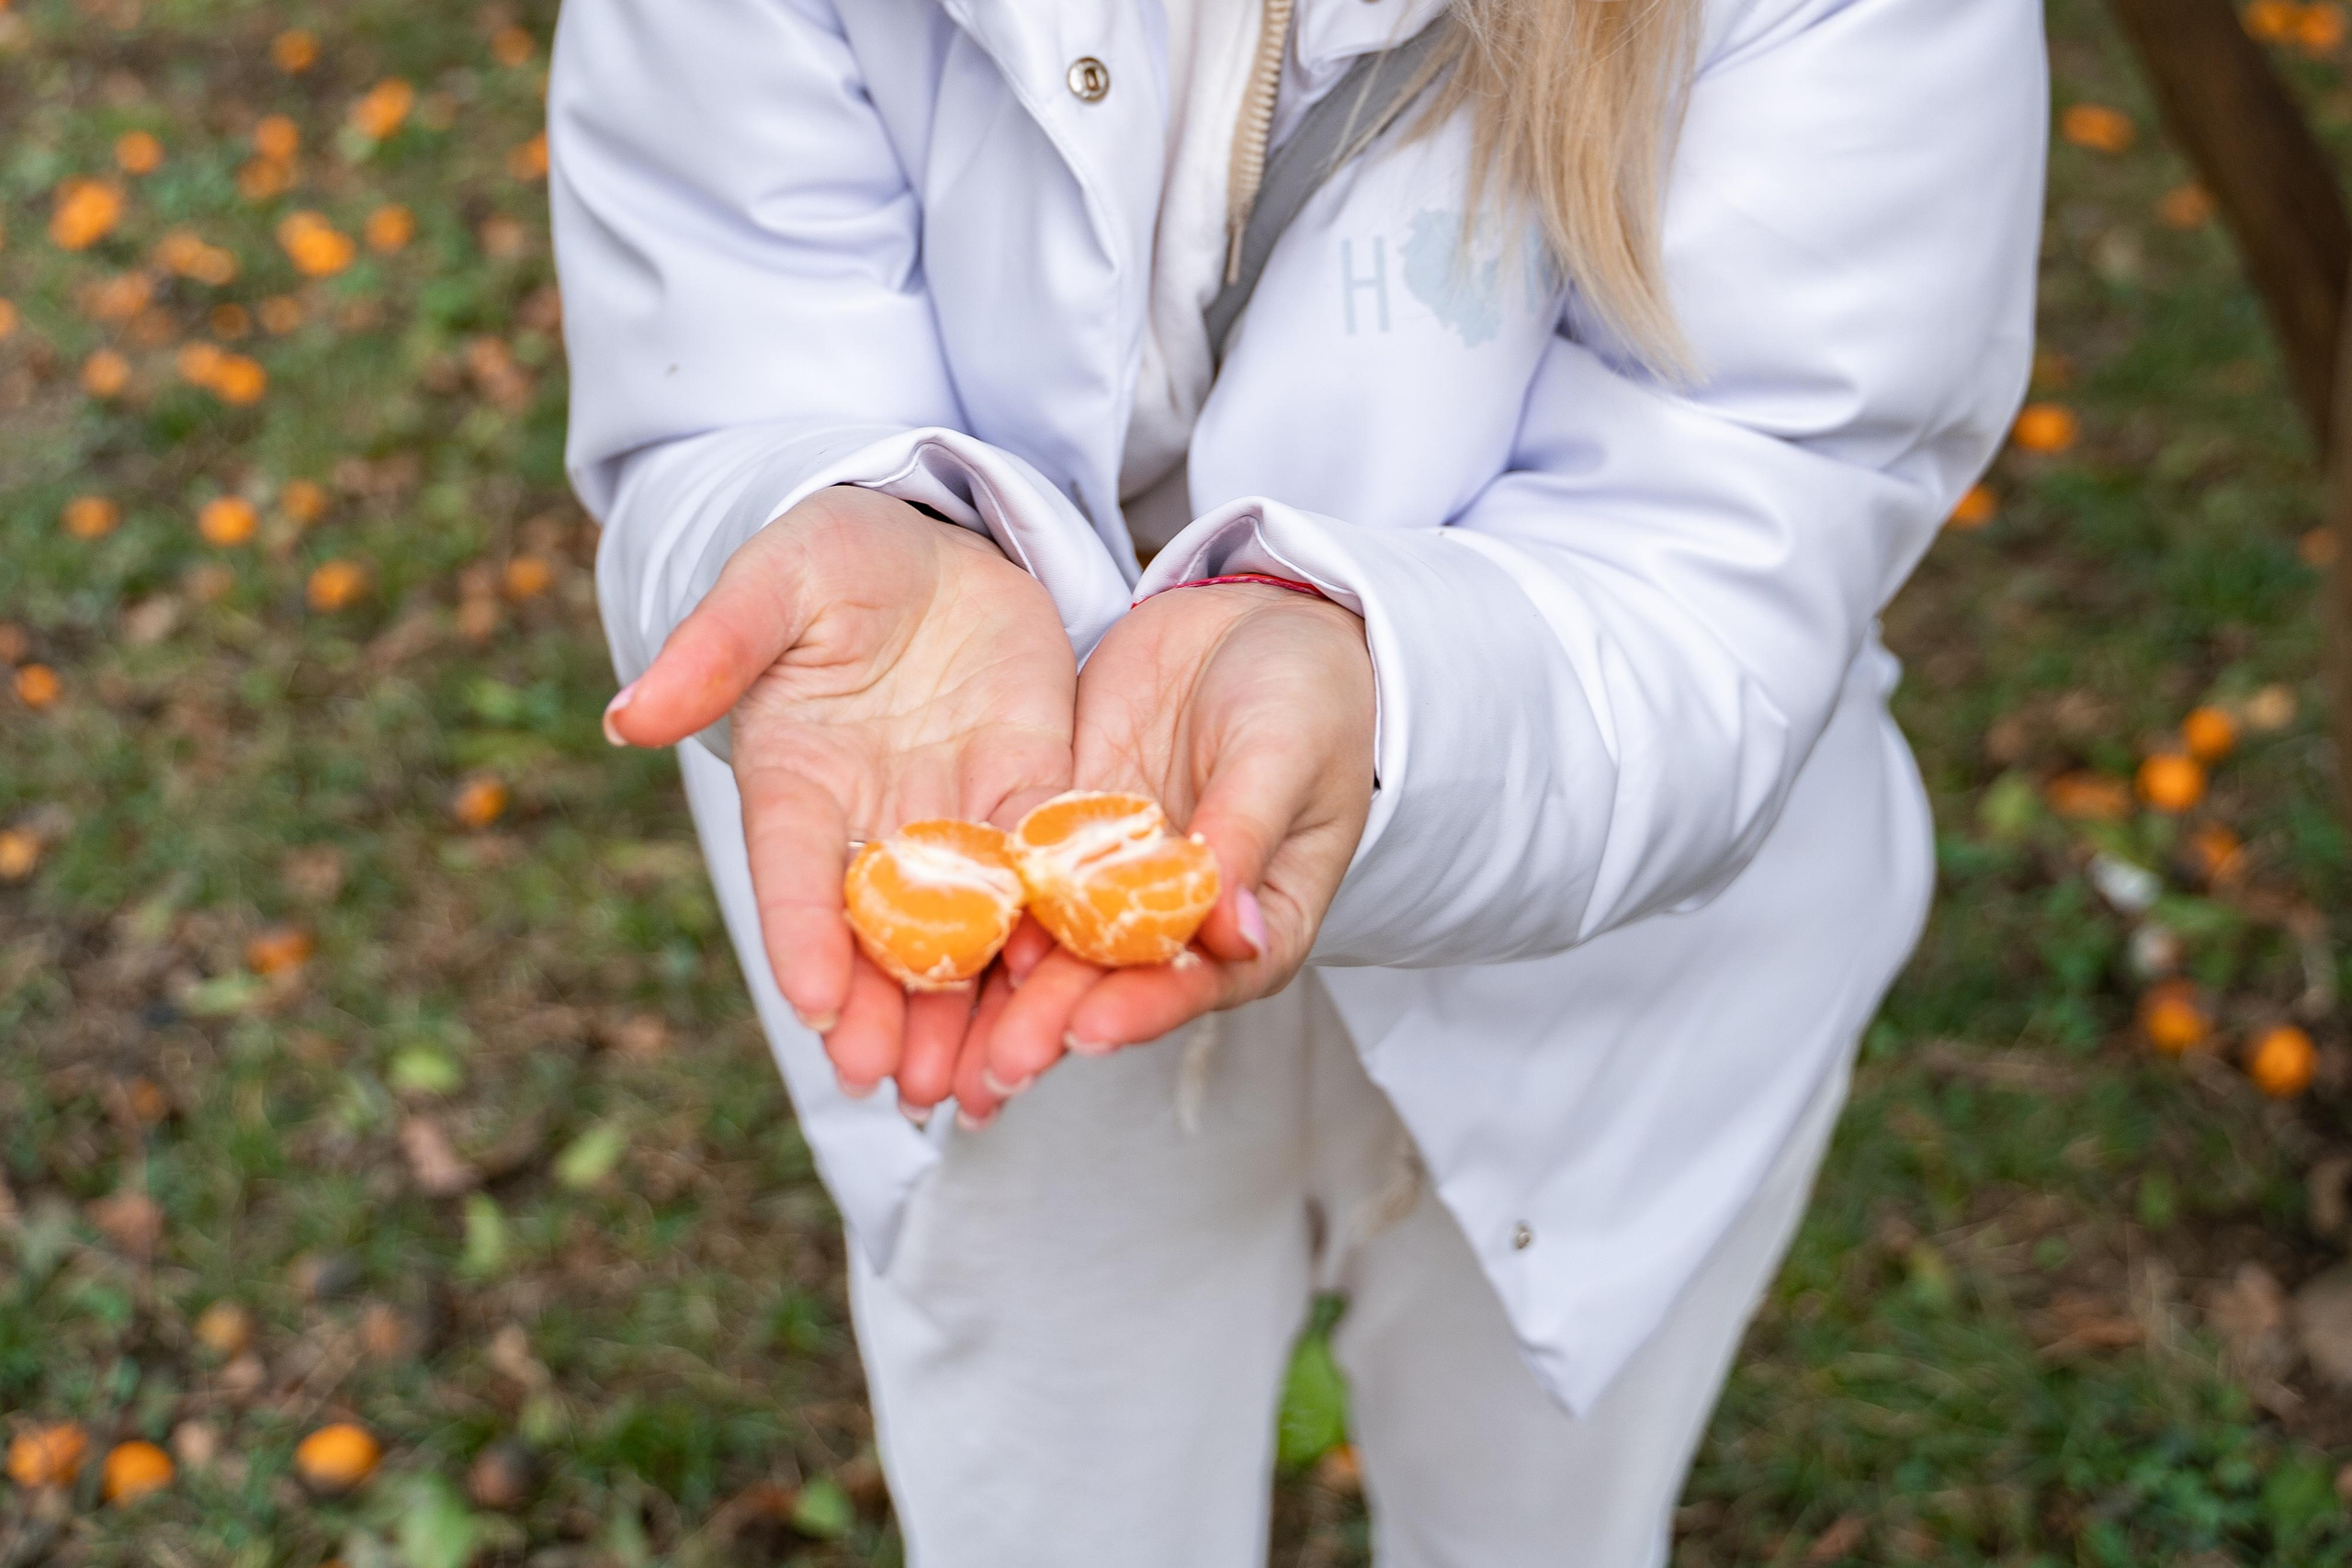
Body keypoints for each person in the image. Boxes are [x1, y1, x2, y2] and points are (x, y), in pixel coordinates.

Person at [548, 0, 2045, 1561]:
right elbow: (724, 341)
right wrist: (840, 510)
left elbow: (1745, 527)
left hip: (1610, 988)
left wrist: (1383, 692)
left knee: (1538, 1523)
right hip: (1008, 964)